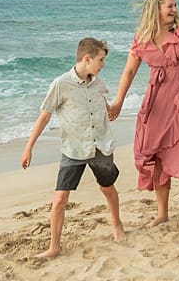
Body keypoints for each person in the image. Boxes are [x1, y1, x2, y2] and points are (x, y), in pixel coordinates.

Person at [108, 0, 179, 227]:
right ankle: (162, 212)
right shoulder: (142, 36)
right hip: (158, 95)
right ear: (155, 8)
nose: (175, 9)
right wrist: (118, 101)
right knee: (154, 150)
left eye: (175, 5)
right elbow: (129, 71)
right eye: (170, 6)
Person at [20, 37, 126, 258]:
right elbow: (45, 116)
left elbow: (102, 104)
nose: (103, 64)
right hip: (73, 148)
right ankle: (54, 247)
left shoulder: (98, 82)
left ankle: (117, 226)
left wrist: (110, 109)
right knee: (60, 199)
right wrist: (29, 147)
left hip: (100, 145)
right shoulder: (61, 84)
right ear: (87, 59)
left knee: (107, 189)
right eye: (101, 59)